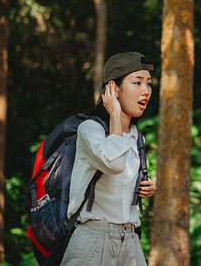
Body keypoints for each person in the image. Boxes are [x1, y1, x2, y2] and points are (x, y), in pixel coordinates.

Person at [60, 52, 157, 266]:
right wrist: (114, 114)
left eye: (148, 84)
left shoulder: (136, 135)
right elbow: (115, 164)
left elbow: (122, 179)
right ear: (113, 88)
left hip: (130, 239)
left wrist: (144, 187)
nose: (146, 91)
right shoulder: (90, 129)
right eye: (137, 82)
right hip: (93, 240)